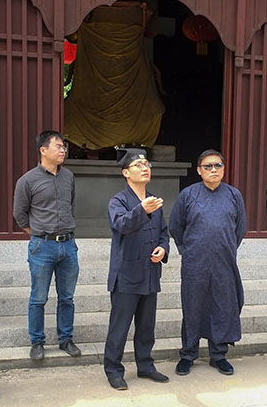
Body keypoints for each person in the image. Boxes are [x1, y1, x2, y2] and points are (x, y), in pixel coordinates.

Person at [169, 150, 247, 376]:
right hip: (195, 262)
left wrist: (226, 247)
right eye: (208, 166)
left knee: (222, 306)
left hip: (224, 261)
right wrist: (187, 250)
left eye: (217, 165)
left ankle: (218, 355)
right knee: (193, 307)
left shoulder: (233, 195)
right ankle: (188, 354)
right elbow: (176, 226)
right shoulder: (188, 195)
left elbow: (240, 228)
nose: (213, 170)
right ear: (199, 170)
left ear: (224, 168)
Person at [103, 148, 170, 390]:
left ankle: (145, 365)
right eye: (138, 165)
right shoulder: (118, 201)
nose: (145, 168)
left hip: (149, 272)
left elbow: (164, 233)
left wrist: (163, 248)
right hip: (126, 274)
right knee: (119, 326)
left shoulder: (154, 200)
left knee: (146, 326)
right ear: (125, 173)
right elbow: (121, 224)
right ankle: (113, 370)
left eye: (147, 164)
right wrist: (143, 210)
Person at [13, 130, 81, 361]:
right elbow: (20, 215)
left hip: (68, 245)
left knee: (67, 297)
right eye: (58, 146)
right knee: (38, 297)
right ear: (43, 150)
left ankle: (66, 339)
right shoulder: (27, 180)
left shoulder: (68, 176)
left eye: (64, 147)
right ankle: (37, 342)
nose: (63, 150)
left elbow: (71, 205)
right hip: (42, 246)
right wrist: (38, 233)